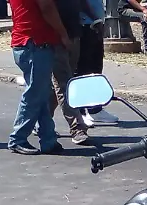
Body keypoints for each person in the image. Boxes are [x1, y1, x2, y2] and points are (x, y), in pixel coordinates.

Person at [8, 0, 71, 154]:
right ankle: (18, 138)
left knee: (41, 93)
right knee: (35, 94)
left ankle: (48, 139)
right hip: (35, 43)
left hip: (26, 42)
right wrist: (63, 34)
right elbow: (47, 7)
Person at [46, 0, 96, 145]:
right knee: (65, 83)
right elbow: (47, 8)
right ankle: (76, 127)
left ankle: (43, 119)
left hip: (73, 33)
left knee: (61, 83)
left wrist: (94, 18)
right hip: (55, 37)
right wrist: (62, 34)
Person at [77, 0, 120, 126]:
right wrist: (95, 18)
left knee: (95, 70)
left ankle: (95, 109)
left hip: (95, 24)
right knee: (82, 71)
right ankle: (81, 112)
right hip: (84, 24)